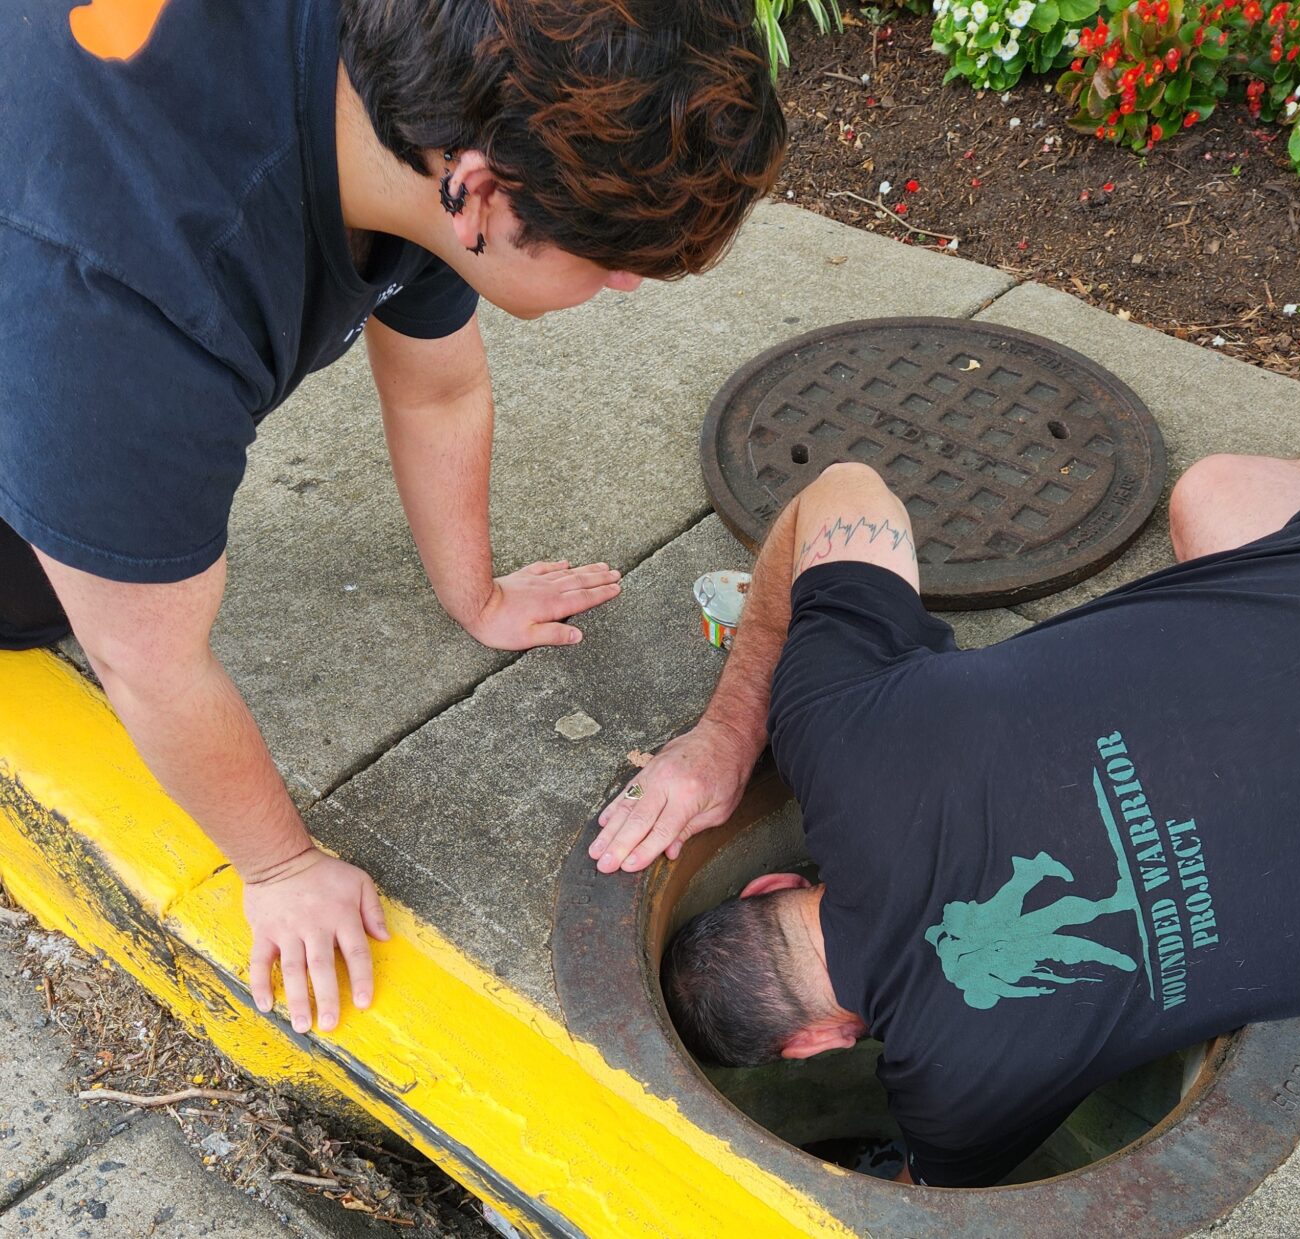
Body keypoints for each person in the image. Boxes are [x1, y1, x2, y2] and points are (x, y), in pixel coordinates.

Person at [0, 0, 783, 1035]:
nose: (629, 283)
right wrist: (278, 865)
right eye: (613, 259)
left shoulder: (424, 72)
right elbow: (151, 661)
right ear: (480, 192)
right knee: (39, 596)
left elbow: (437, 386)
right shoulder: (134, 310)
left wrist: (480, 594)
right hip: (55, 240)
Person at [589, 392, 1300, 1187]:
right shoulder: (840, 727)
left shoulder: (959, 1088)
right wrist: (729, 733)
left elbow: (932, 1204)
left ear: (816, 1044)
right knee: (1220, 494)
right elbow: (844, 487)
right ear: (769, 889)